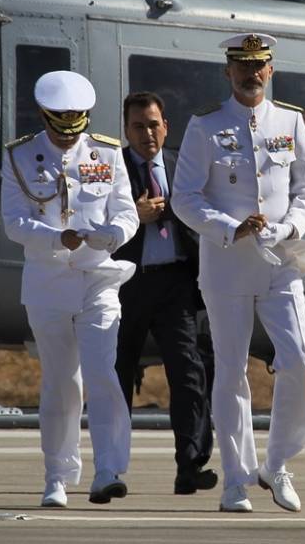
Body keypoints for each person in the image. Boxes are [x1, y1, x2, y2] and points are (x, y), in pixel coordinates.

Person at [172, 33, 305, 514]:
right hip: (227, 265)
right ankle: (235, 480)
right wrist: (229, 227)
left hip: (281, 261)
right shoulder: (205, 126)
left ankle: (276, 465)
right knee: (231, 372)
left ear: (271, 69)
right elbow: (185, 198)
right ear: (228, 71)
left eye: (259, 66)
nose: (250, 74)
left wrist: (290, 225)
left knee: (299, 358)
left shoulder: (291, 121)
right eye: (241, 66)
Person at [0, 70, 139, 508]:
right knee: (61, 382)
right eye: (59, 123)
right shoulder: (20, 156)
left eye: (75, 121)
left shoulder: (106, 152)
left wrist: (110, 234)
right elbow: (14, 222)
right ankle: (57, 475)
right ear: (45, 116)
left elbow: (127, 213)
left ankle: (108, 470)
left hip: (98, 276)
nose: (66, 134)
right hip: (48, 281)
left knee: (103, 372)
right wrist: (54, 237)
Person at [113, 91, 217, 496]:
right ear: (126, 130)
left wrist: (180, 212)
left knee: (189, 373)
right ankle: (111, 466)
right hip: (126, 281)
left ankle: (190, 464)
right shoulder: (113, 169)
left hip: (175, 283)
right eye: (138, 126)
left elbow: (203, 216)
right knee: (116, 374)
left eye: (153, 125)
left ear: (166, 127)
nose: (147, 134)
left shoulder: (181, 167)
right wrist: (133, 217)